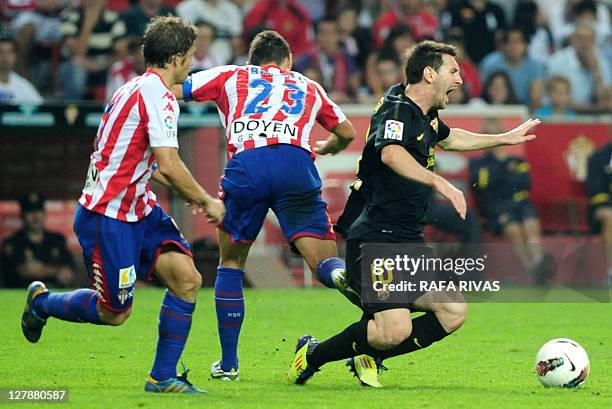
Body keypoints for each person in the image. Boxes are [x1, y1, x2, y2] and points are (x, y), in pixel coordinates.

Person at [288, 40, 540, 388]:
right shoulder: (396, 110)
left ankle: (369, 352)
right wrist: (441, 183)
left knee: (453, 313)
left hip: (407, 237)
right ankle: (312, 355)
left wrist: (502, 138)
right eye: (453, 71)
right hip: (377, 236)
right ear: (429, 73)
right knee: (394, 328)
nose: (460, 80)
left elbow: (449, 138)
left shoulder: (422, 112)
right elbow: (391, 154)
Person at [20, 16, 225, 394]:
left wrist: (188, 192)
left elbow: (143, 163)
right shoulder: (159, 97)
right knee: (113, 313)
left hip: (139, 209)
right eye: (192, 56)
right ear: (177, 58)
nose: (193, 63)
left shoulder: (131, 88)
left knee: (187, 279)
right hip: (108, 217)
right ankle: (42, 303)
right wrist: (205, 200)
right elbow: (168, 164)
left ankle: (162, 377)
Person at [173, 30, 357, 381]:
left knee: (231, 262)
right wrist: (331, 147)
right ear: (287, 62)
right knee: (327, 262)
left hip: (248, 164)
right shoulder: (307, 85)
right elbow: (347, 131)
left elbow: (175, 89)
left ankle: (228, 365)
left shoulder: (231, 75)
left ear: (251, 61)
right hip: (295, 165)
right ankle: (368, 317)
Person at [469, 117, 553, 283]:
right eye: (490, 134)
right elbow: (484, 187)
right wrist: (503, 168)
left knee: (531, 226)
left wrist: (503, 176)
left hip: (520, 203)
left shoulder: (517, 161)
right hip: (496, 208)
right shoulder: (478, 163)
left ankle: (538, 263)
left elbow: (524, 183)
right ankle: (533, 274)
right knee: (514, 230)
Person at [1, 193, 74, 289]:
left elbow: (68, 273)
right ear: (22, 215)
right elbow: (20, 273)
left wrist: (43, 270)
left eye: (39, 211)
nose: (36, 217)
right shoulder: (12, 243)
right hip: (22, 295)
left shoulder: (57, 240)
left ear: (44, 214)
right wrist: (55, 272)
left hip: (54, 294)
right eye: (30, 212)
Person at [585, 143, 611, 285]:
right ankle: (611, 271)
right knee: (610, 217)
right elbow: (593, 188)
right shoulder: (599, 157)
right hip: (601, 206)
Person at [0, 32, 43, 103]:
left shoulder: (22, 85)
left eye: (9, 52)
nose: (5, 56)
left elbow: (41, 108)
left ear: (15, 57)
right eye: (1, 52)